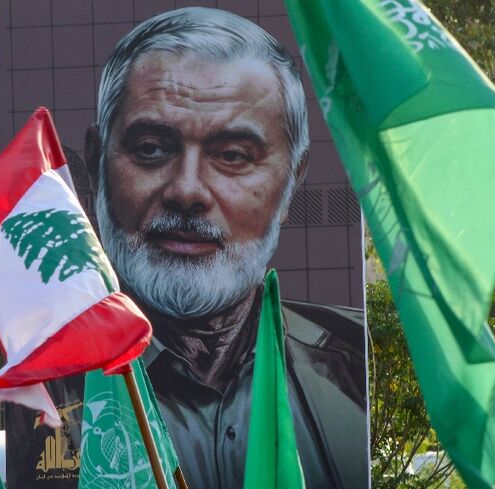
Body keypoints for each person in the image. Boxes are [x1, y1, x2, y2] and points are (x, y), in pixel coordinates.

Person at [83, 8, 368, 489]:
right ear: (96, 166)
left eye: (232, 156)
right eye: (152, 148)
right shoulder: (39, 385)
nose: (187, 190)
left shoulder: (359, 364)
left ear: (290, 184)